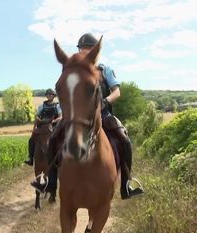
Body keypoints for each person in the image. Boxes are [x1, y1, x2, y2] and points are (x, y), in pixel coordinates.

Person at [31, 33, 144, 200]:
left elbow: (116, 92)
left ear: (95, 52)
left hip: (102, 113)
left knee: (124, 139)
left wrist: (105, 101)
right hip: (78, 115)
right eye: (81, 48)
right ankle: (50, 181)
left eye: (88, 49)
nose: (83, 51)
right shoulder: (73, 68)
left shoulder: (105, 69)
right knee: (54, 138)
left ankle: (127, 184)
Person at [24, 88, 62, 166]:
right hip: (42, 126)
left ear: (53, 96)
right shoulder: (41, 106)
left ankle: (60, 159)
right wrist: (34, 129)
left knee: (61, 139)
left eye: (50, 94)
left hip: (53, 126)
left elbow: (60, 117)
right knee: (31, 140)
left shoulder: (57, 106)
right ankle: (31, 158)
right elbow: (37, 117)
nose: (49, 95)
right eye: (48, 94)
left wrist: (54, 121)